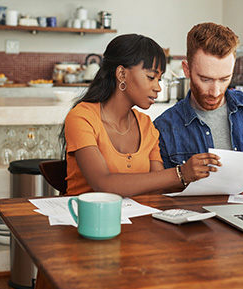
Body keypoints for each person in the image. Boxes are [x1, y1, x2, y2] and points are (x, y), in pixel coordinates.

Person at [63, 34, 221, 197]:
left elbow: (159, 186)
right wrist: (181, 173)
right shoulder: (82, 117)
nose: (158, 87)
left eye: (159, 79)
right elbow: (103, 184)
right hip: (85, 218)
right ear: (121, 74)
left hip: (138, 219)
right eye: (151, 77)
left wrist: (216, 185)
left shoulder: (146, 125)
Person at [154, 22, 243, 171]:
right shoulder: (164, 128)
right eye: (205, 79)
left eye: (224, 79)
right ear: (187, 70)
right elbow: (163, 190)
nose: (215, 92)